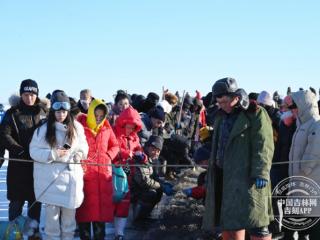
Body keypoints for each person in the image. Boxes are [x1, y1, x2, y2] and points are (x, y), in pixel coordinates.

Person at [203, 77, 274, 240]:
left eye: (224, 102)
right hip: (225, 178)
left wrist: (261, 172)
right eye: (219, 102)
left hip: (249, 178)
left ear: (235, 98)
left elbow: (263, 144)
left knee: (257, 223)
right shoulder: (221, 116)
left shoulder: (255, 113)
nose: (221, 105)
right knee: (230, 222)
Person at [29, 90, 88, 240]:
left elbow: (83, 145)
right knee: (52, 224)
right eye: (57, 111)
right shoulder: (43, 130)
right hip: (51, 181)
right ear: (52, 112)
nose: (61, 115)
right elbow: (34, 151)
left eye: (64, 111)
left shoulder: (77, 128)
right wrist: (52, 154)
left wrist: (80, 154)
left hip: (71, 181)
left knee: (69, 223)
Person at [0, 79, 48, 240]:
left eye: (33, 94)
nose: (30, 98)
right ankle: (13, 235)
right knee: (16, 206)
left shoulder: (43, 112)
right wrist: (19, 151)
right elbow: (4, 135)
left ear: (37, 95)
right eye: (26, 94)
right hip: (18, 168)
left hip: (38, 168)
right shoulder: (12, 113)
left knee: (35, 206)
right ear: (21, 95)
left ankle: (34, 235)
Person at [76, 99, 119, 240]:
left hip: (101, 177)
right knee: (84, 215)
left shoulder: (107, 128)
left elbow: (115, 146)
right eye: (96, 115)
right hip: (84, 176)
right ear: (90, 113)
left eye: (101, 115)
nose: (99, 118)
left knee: (100, 217)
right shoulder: (79, 127)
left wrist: (107, 156)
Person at [288, 90, 320, 240]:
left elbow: (313, 152)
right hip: (298, 182)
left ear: (304, 106)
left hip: (309, 181)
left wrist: (303, 170)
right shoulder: (301, 124)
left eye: (294, 106)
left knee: (313, 224)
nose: (291, 110)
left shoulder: (315, 124)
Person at [113, 106, 144, 240]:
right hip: (113, 173)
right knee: (112, 201)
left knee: (124, 203)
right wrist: (126, 154)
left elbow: (140, 151)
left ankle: (119, 233)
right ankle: (106, 229)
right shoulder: (113, 133)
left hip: (128, 173)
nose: (130, 130)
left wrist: (142, 156)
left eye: (133, 127)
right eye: (128, 126)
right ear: (122, 123)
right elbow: (110, 150)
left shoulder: (134, 138)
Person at [131, 135, 175, 221]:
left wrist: (162, 184)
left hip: (139, 187)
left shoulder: (150, 159)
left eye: (158, 151)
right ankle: (139, 220)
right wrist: (161, 186)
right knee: (151, 194)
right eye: (153, 149)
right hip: (133, 189)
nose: (156, 153)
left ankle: (145, 215)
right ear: (147, 147)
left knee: (158, 191)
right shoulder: (141, 159)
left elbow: (153, 176)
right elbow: (144, 181)